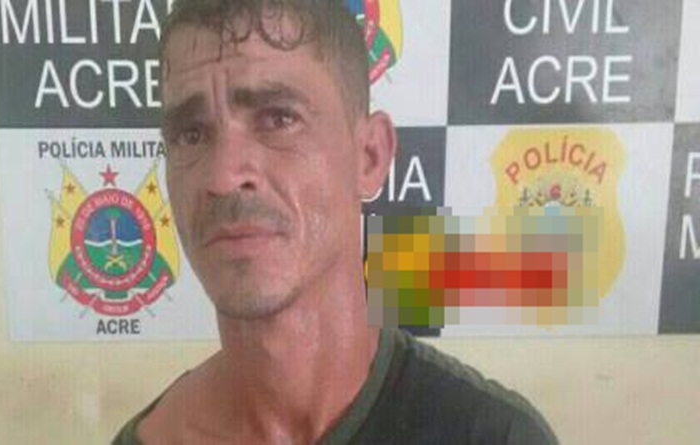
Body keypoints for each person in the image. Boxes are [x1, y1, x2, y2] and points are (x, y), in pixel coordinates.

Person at [113, 1, 558, 443]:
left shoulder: (493, 436)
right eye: (191, 134)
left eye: (278, 119)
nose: (223, 176)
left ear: (369, 157)